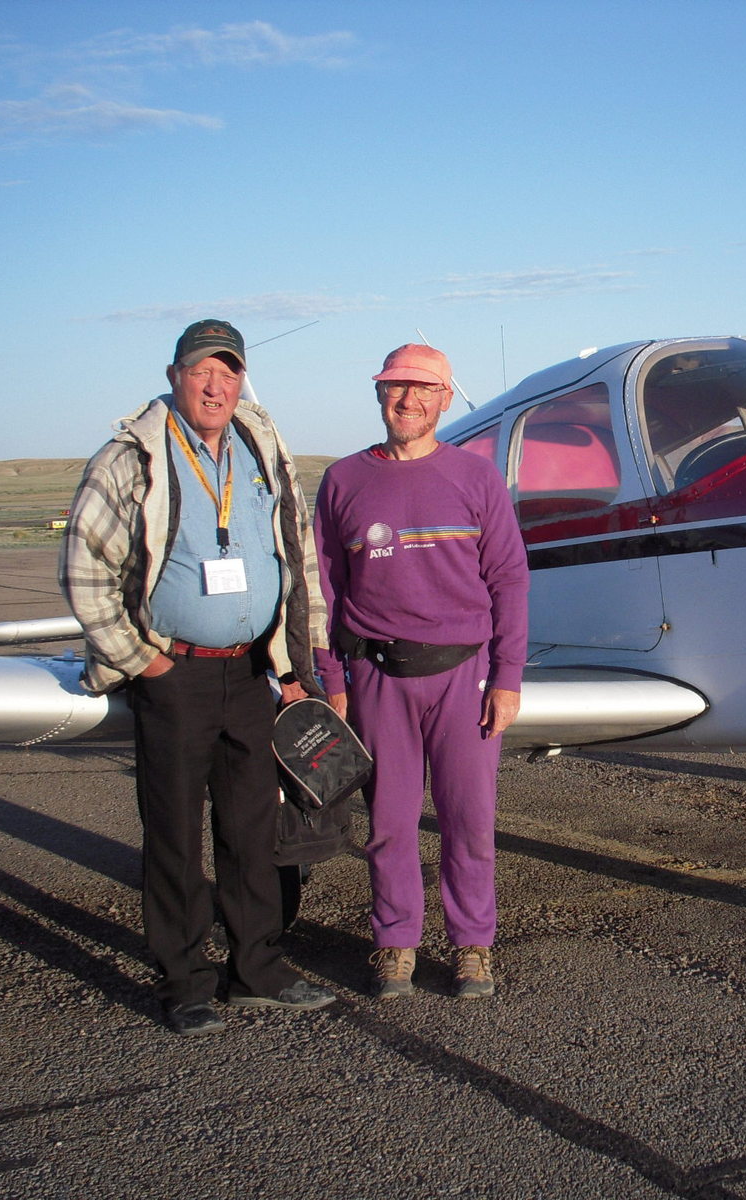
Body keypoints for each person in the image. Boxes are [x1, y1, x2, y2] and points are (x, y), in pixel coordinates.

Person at [61, 319, 336, 1036]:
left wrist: (295, 667)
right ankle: (184, 981)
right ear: (174, 375)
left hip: (249, 673)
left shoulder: (261, 447)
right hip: (172, 673)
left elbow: (296, 553)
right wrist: (141, 659)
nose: (216, 386)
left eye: (229, 372)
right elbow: (85, 566)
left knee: (253, 831)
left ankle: (257, 970)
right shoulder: (130, 457)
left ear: (242, 380)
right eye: (202, 371)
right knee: (175, 835)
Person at [313, 344, 528, 999]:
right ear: (379, 394)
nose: (408, 400)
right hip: (378, 677)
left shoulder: (476, 478)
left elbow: (508, 578)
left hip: (464, 676)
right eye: (395, 387)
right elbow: (324, 590)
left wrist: (507, 677)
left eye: (423, 389)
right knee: (389, 824)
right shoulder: (343, 481)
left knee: (470, 821)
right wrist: (333, 681)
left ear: (444, 398)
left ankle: (472, 945)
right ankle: (395, 943)